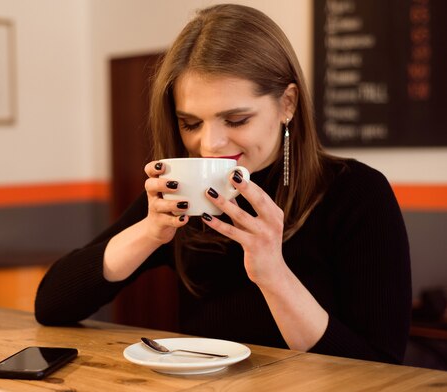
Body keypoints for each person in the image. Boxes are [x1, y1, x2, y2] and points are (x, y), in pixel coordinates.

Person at [35, 4, 411, 364]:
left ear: (287, 104)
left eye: (235, 120)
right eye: (191, 123)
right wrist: (149, 232)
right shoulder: (184, 191)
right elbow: (51, 305)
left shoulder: (356, 193)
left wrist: (273, 274)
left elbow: (380, 364)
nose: (210, 146)